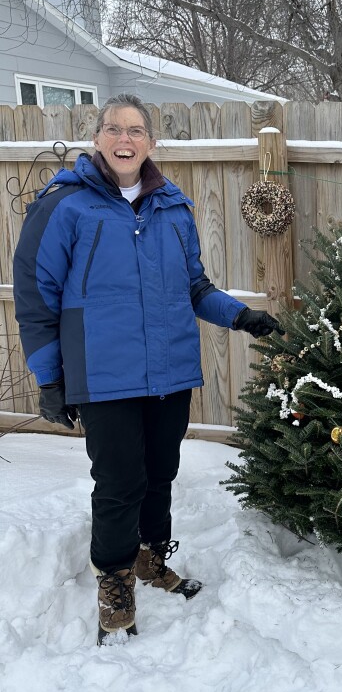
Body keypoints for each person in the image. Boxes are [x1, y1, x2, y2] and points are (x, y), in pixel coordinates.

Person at [13, 93, 284, 644]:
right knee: (118, 482)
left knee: (159, 473)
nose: (125, 139)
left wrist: (242, 317)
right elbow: (35, 296)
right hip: (104, 375)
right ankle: (113, 584)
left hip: (168, 372)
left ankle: (150, 556)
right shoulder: (65, 206)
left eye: (136, 130)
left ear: (151, 143)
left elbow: (194, 288)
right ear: (97, 139)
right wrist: (50, 377)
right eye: (114, 129)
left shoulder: (172, 208)